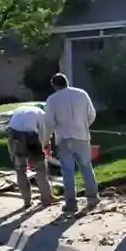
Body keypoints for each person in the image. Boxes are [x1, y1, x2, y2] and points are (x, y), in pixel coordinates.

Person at [44, 73, 99, 213]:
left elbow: (49, 122)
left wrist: (46, 138)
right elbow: (92, 114)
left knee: (68, 171)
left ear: (54, 85)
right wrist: (83, 125)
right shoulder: (82, 94)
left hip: (64, 138)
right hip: (82, 135)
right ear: (67, 82)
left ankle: (71, 203)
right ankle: (93, 198)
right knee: (86, 167)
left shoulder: (52, 100)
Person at [5, 102, 54, 209]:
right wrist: (44, 147)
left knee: (20, 169)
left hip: (14, 136)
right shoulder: (41, 113)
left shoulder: (20, 109)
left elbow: (12, 125)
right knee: (40, 168)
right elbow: (43, 134)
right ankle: (46, 198)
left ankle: (27, 201)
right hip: (30, 136)